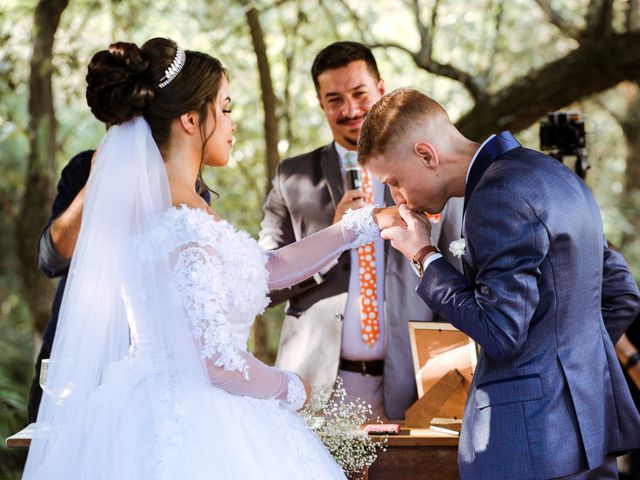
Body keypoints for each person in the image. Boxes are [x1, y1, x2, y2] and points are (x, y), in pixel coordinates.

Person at [23, 38, 401, 479]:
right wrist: (293, 387)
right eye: (224, 108)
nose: (232, 122)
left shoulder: (187, 205)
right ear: (190, 119)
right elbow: (215, 365)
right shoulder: (179, 219)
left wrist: (362, 225)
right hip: (192, 424)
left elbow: (269, 268)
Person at [357, 88, 640, 479]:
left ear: (426, 154)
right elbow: (622, 295)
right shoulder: (553, 175)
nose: (397, 197)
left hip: (527, 449)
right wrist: (562, 367)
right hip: (586, 434)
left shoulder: (497, 195)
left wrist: (424, 255)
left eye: (394, 181)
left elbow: (500, 332)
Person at [259, 41, 463, 419]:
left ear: (381, 91)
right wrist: (330, 243)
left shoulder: (427, 169)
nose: (350, 110)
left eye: (359, 94)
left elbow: (457, 273)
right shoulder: (293, 177)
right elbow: (263, 284)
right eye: (334, 99)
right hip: (316, 383)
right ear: (320, 103)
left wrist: (444, 382)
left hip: (413, 382)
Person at [27, 148, 212, 422]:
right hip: (68, 360)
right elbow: (50, 259)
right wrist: (95, 183)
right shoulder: (82, 168)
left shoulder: (187, 184)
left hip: (144, 369)